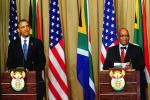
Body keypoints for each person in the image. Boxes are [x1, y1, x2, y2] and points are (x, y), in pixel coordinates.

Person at [103, 28, 147, 100]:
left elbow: (142, 65)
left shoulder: (137, 49)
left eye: (127, 36)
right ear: (118, 37)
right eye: (122, 36)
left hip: (134, 84)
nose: (125, 38)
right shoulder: (111, 50)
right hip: (116, 85)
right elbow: (105, 67)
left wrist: (133, 67)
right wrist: (116, 69)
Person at [7, 19, 46, 100]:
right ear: (19, 30)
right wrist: (18, 74)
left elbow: (42, 62)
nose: (25, 29)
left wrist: (32, 73)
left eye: (27, 26)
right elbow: (10, 63)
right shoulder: (13, 44)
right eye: (23, 27)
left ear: (30, 28)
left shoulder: (38, 43)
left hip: (35, 80)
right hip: (18, 81)